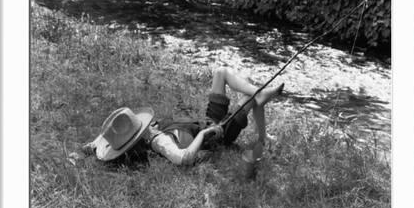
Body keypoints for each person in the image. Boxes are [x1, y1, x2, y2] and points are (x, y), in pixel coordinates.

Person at [73, 66, 284, 178]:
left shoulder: (124, 130)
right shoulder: (159, 142)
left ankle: (262, 96)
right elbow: (183, 158)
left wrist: (83, 152)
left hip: (206, 120)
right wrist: (204, 135)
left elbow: (99, 141)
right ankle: (264, 131)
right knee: (252, 99)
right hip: (217, 134)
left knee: (221, 73)